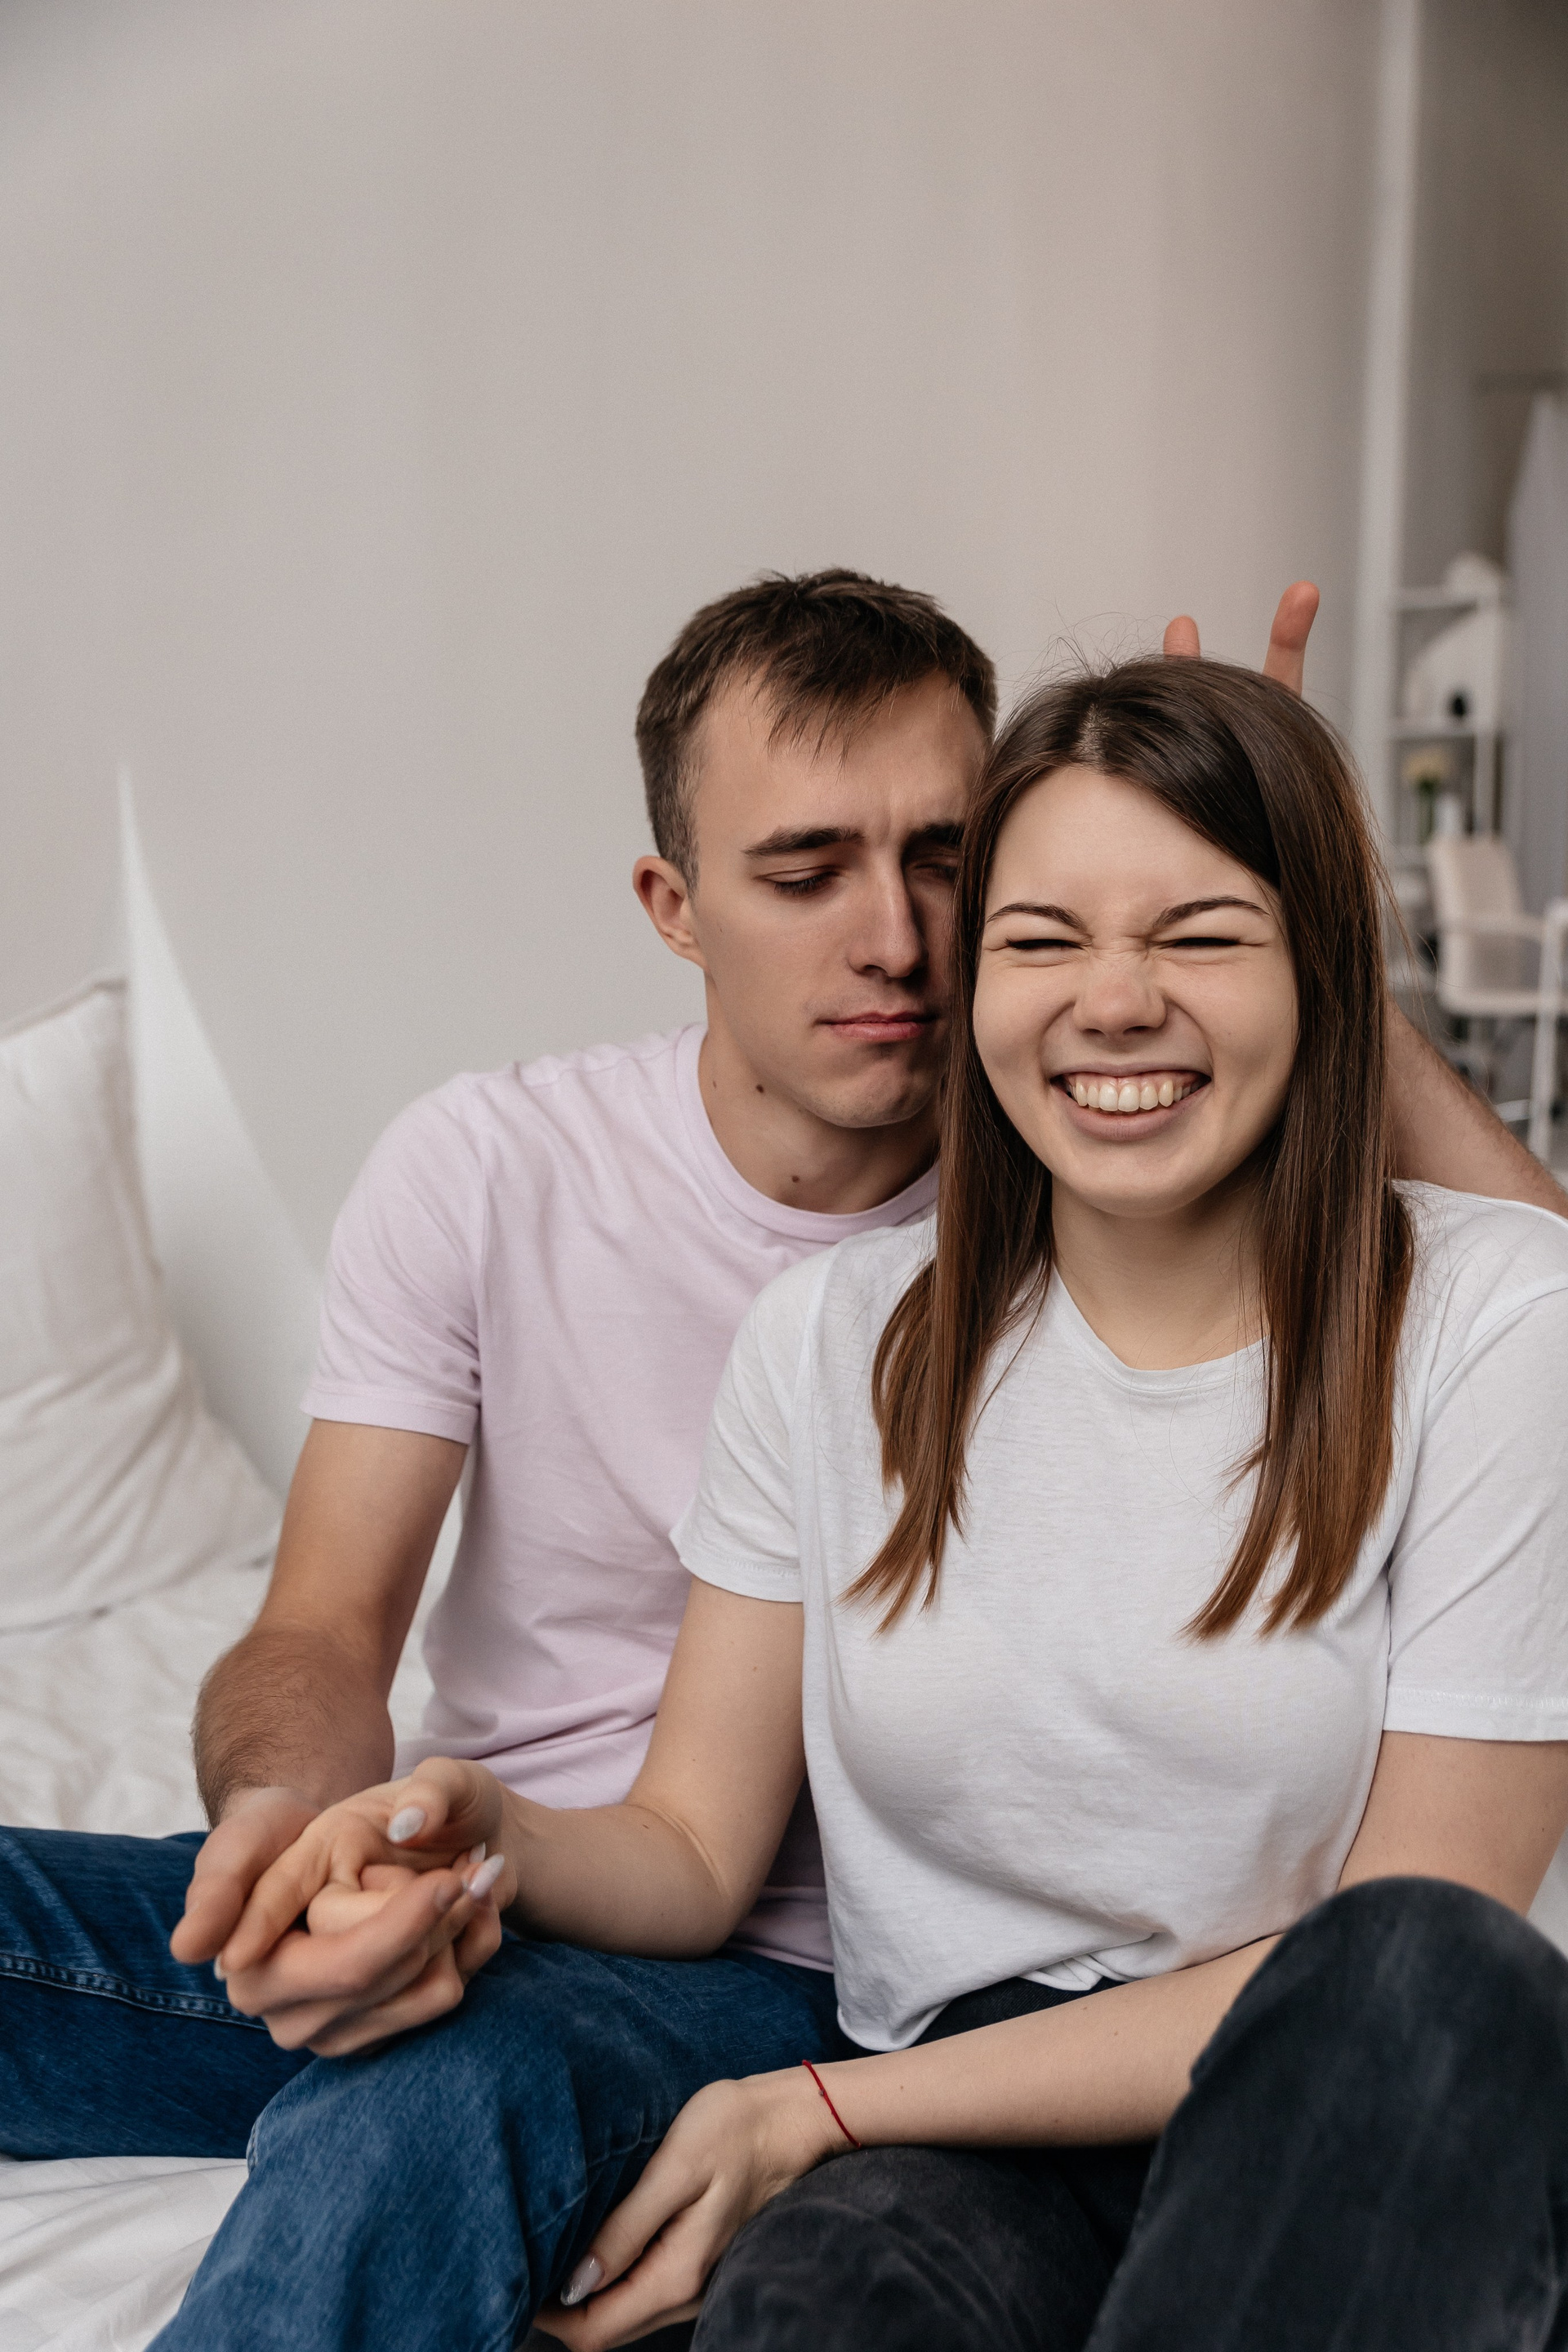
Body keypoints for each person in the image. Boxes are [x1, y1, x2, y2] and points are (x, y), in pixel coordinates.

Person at [0, 578, 1557, 2352]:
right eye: (807, 872)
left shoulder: (1157, 1176)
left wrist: (1290, 883)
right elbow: (358, 1647)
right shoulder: (732, 1279)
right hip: (554, 1898)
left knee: (439, 2095)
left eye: (945, 866)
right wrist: (325, 1839)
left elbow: (1498, 1329)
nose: (897, 941)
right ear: (674, 906)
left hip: (813, 1994)